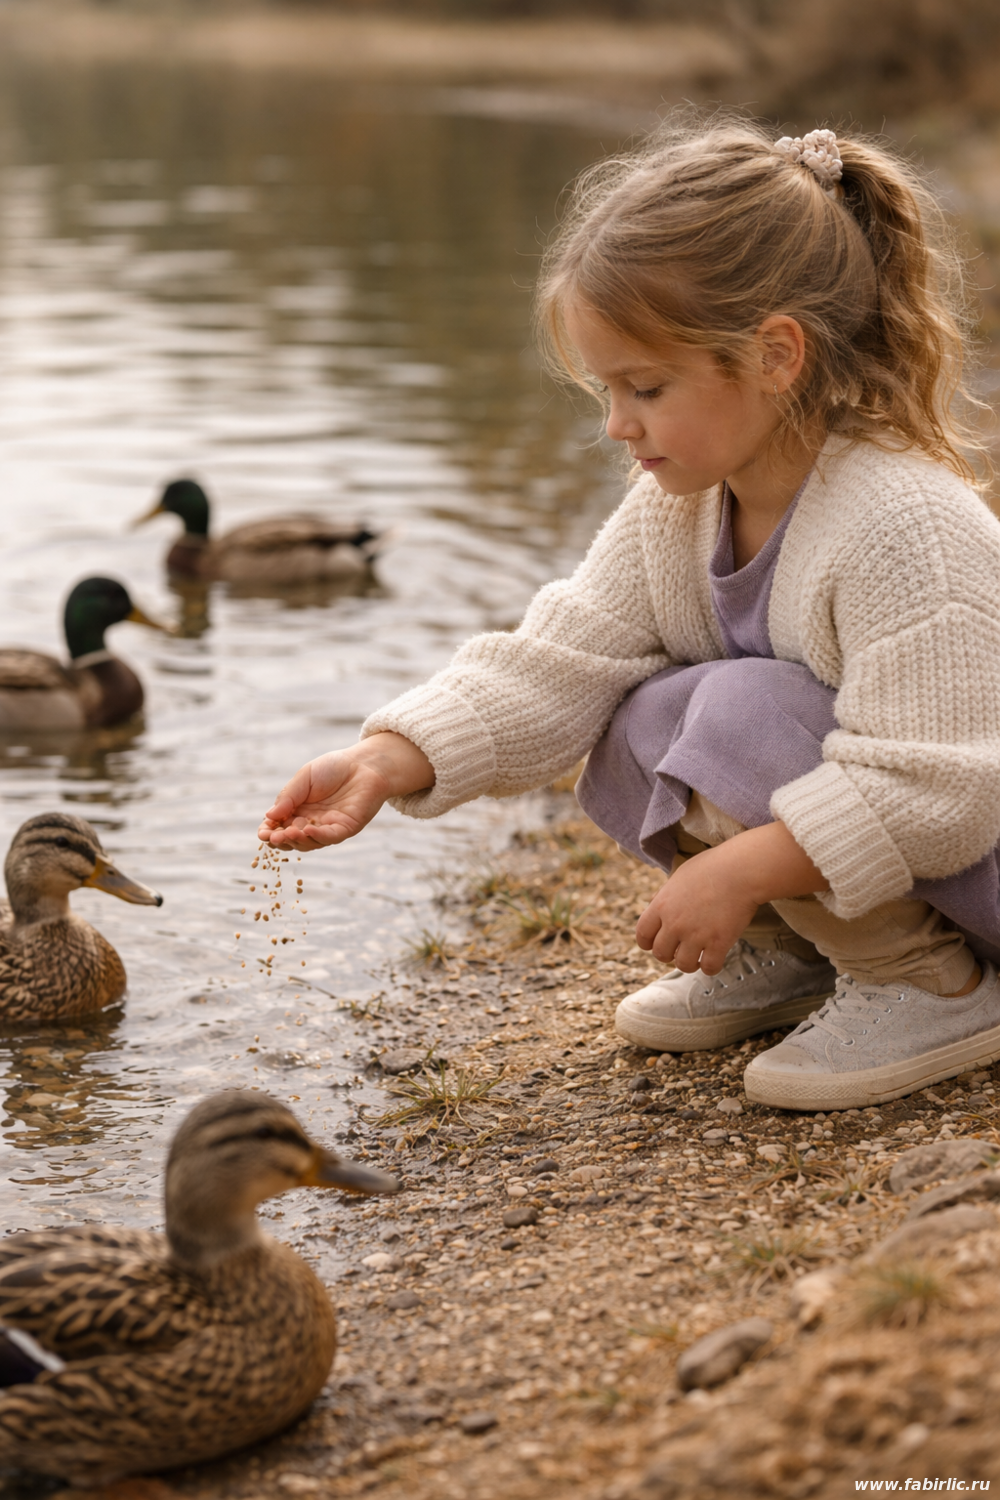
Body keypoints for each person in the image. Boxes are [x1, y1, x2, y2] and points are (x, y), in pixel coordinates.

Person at [259, 116, 1000, 1113]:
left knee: (732, 713)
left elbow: (944, 788)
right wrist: (390, 758)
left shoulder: (901, 520)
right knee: (642, 711)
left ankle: (932, 986)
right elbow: (564, 655)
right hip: (889, 849)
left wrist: (739, 865)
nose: (616, 423)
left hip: (976, 863)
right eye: (606, 389)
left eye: (644, 386)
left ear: (775, 355)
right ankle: (799, 955)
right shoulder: (681, 505)